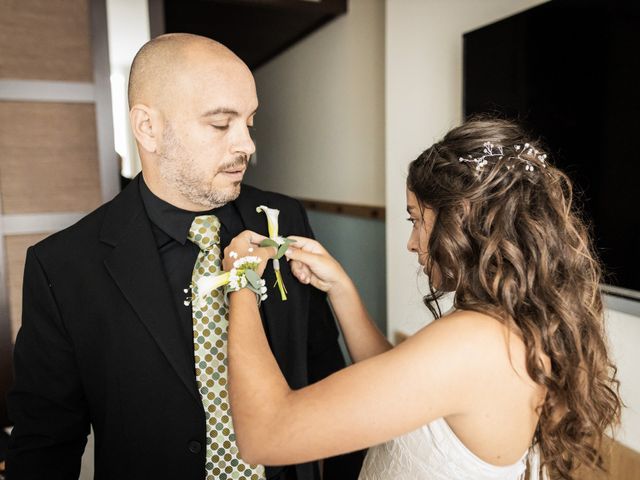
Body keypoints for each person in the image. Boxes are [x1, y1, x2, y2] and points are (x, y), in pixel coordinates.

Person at [6, 33, 363, 480]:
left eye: (249, 122)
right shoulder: (63, 265)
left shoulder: (283, 218)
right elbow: (44, 445)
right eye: (220, 124)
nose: (247, 145)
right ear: (148, 128)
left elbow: (326, 373)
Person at [221, 117, 622, 480]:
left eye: (416, 219)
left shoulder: (473, 342)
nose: (412, 243)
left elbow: (266, 434)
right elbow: (400, 386)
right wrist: (341, 289)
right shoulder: (511, 321)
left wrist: (241, 281)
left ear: (461, 215)